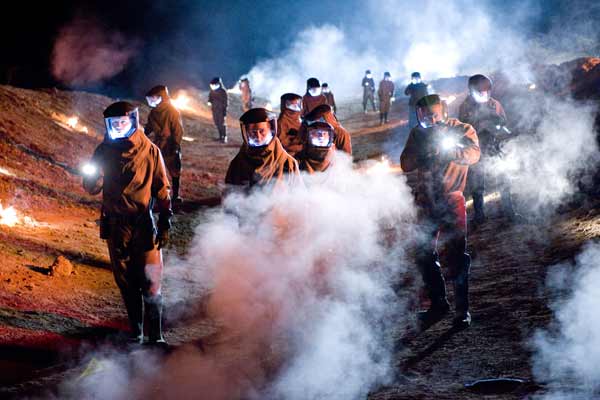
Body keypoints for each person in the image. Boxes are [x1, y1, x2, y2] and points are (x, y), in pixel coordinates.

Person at [82, 101, 172, 346]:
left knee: (151, 279)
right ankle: (137, 333)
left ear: (132, 121)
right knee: (126, 281)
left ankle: (156, 336)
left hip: (143, 223)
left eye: (122, 122)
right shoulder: (104, 151)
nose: (118, 127)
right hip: (116, 226)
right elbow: (92, 187)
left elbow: (163, 188)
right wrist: (91, 176)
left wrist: (165, 220)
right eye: (114, 124)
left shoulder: (150, 151)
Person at [400, 94, 480, 328]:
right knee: (423, 253)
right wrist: (420, 154)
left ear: (443, 111)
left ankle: (462, 310)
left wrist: (452, 152)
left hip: (451, 199)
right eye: (424, 116)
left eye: (433, 114)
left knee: (456, 255)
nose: (429, 120)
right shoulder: (417, 134)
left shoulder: (461, 129)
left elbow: (474, 154)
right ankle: (438, 303)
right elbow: (405, 163)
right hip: (426, 201)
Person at [458, 74, 523, 224]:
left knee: (503, 178)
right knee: (477, 182)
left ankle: (509, 211)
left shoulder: (494, 104)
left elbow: (504, 123)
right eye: (480, 91)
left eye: (487, 90)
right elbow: (463, 129)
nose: (484, 93)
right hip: (476, 148)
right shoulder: (465, 106)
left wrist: (498, 124)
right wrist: (478, 126)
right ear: (472, 90)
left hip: (494, 146)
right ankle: (479, 214)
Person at [225, 108, 301, 190]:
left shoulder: (287, 163)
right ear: (246, 133)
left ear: (270, 130)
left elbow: (298, 197)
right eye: (253, 132)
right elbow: (230, 194)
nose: (258, 136)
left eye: (262, 131)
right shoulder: (238, 163)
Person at [144, 85, 184, 203]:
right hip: (158, 145)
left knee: (174, 171)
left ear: (161, 97)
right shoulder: (153, 112)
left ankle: (175, 195)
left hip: (170, 145)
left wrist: (176, 145)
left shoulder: (172, 111)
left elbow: (178, 130)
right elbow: (149, 127)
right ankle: (156, 196)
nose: (150, 101)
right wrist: (142, 133)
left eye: (153, 98)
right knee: (155, 170)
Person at [277, 93, 304, 157]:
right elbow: (283, 145)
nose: (296, 107)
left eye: (297, 104)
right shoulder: (282, 122)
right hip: (291, 156)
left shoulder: (298, 120)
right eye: (292, 105)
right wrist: (302, 147)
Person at [208, 77, 228, 143]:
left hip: (221, 110)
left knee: (221, 124)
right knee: (217, 123)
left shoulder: (222, 91)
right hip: (214, 109)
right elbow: (210, 97)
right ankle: (220, 136)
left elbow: (225, 102)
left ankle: (224, 137)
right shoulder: (212, 91)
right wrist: (209, 101)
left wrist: (224, 111)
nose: (213, 86)